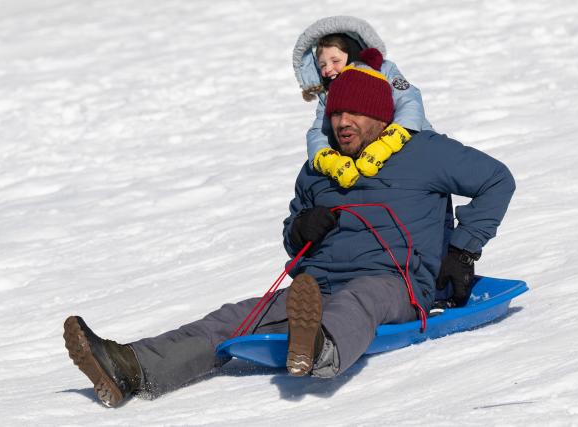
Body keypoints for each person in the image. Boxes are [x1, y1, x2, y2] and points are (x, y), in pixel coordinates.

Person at [63, 51, 515, 408]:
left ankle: (321, 349)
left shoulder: (427, 153)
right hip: (316, 289)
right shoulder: (318, 172)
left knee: (362, 298)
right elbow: (290, 232)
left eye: (353, 114)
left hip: (396, 283)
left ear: (380, 116)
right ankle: (131, 368)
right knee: (233, 316)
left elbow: (498, 180)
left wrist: (462, 251)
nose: (341, 123)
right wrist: (301, 228)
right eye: (336, 115)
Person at [292, 16, 434, 188]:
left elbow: (409, 100)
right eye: (322, 65)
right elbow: (319, 130)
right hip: (365, 161)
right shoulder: (330, 94)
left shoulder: (383, 71)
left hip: (411, 144)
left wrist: (393, 138)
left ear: (352, 53)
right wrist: (326, 158)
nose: (328, 69)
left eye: (335, 61)